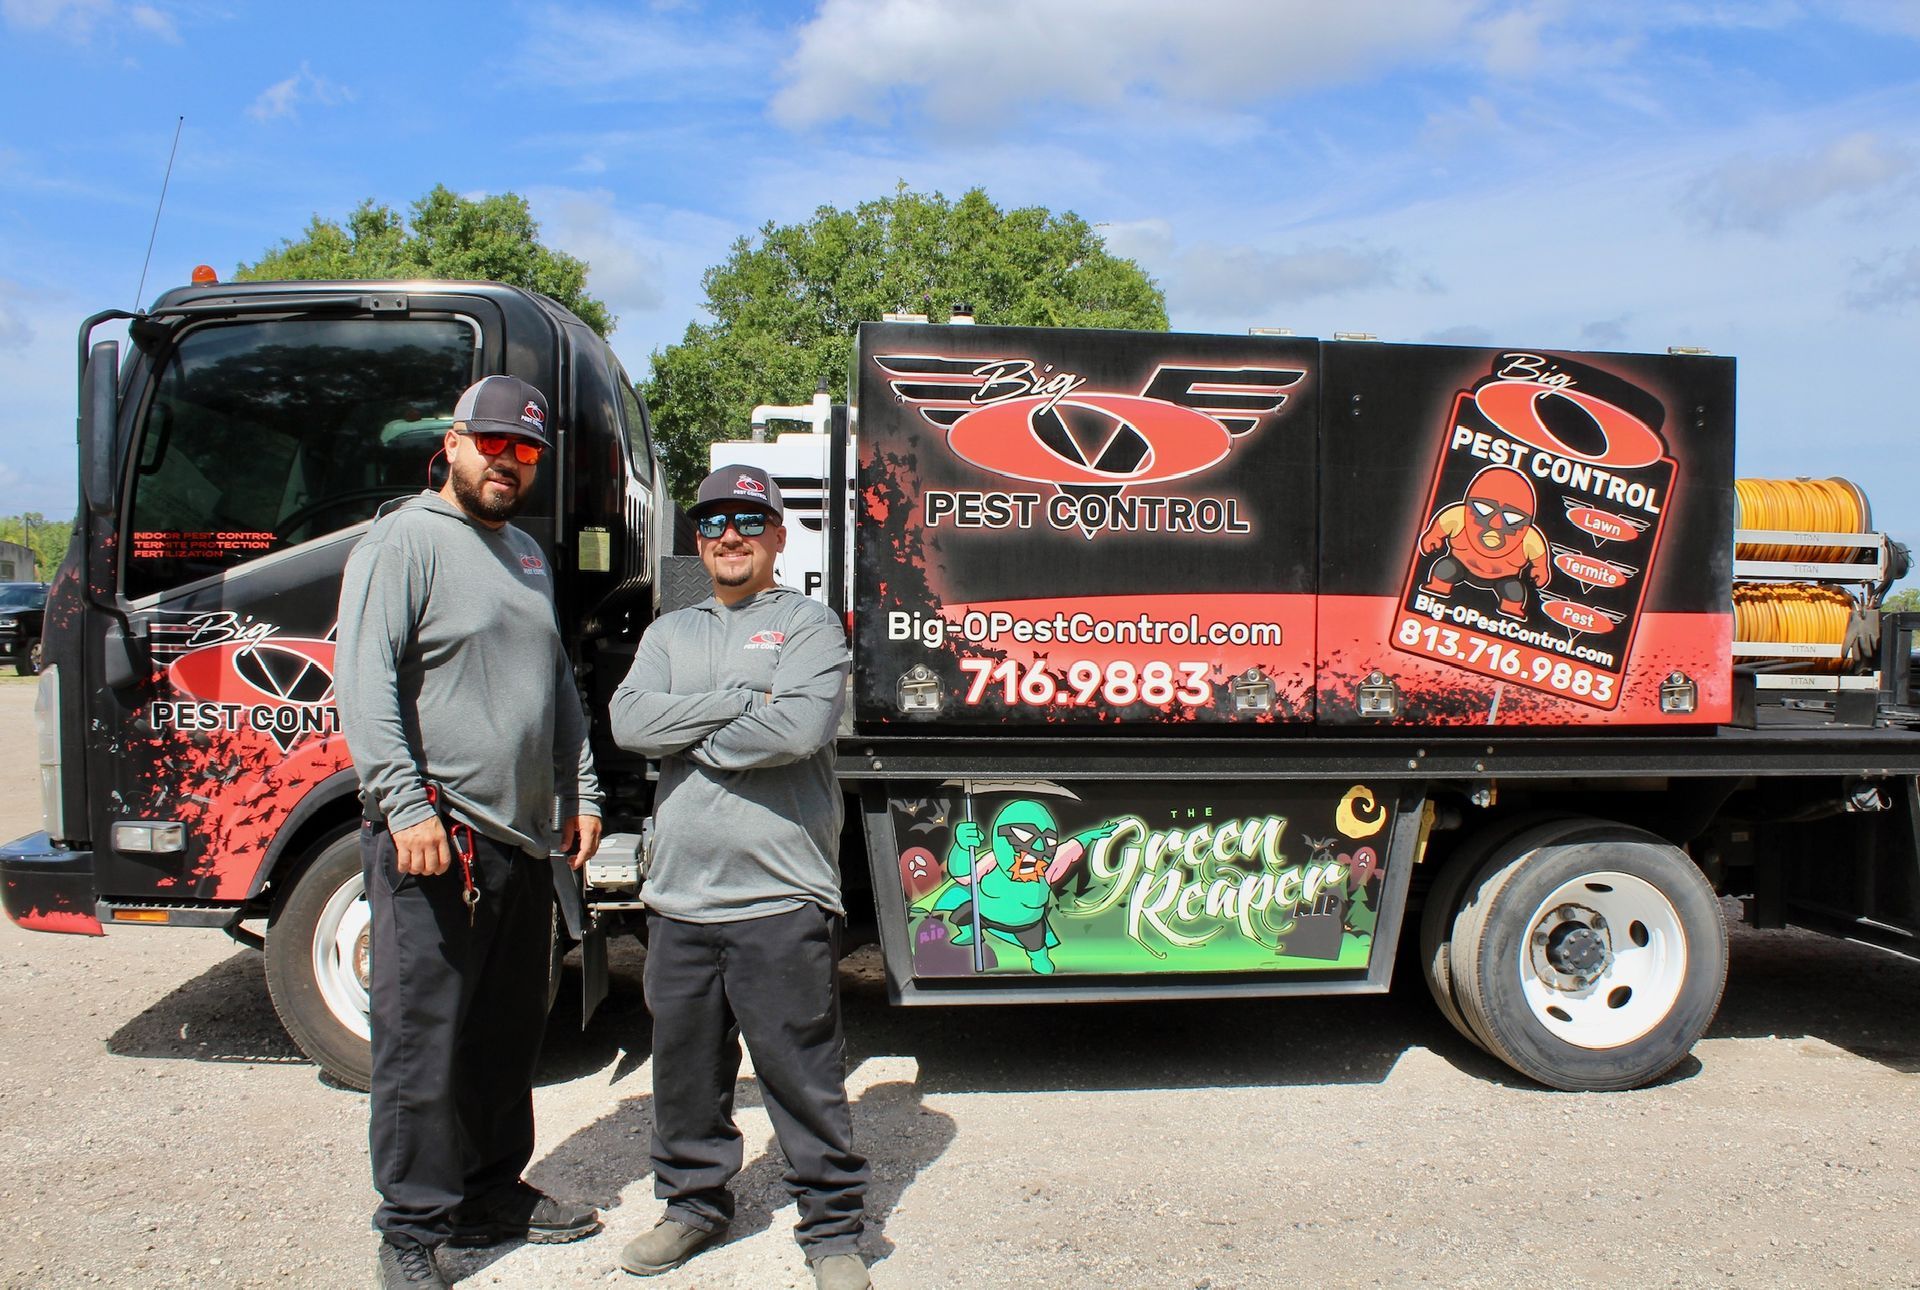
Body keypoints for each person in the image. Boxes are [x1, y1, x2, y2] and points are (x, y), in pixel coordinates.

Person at [337, 374, 605, 1290]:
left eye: (525, 451)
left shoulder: (525, 553)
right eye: (493, 444)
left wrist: (581, 791)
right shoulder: (405, 538)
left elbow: (556, 689)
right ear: (452, 442)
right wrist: (405, 805)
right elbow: (364, 681)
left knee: (502, 1035)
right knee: (421, 1044)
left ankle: (493, 1191)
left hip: (524, 842)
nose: (508, 462)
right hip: (437, 840)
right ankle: (411, 1231)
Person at [610, 465, 871, 1290]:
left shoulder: (809, 625)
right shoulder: (667, 631)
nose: (731, 535)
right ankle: (691, 1207)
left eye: (749, 521)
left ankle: (832, 1231)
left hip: (781, 893)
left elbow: (795, 730)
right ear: (698, 538)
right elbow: (626, 721)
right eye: (716, 522)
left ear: (777, 536)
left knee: (801, 1072)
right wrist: (735, 700)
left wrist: (683, 733)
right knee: (685, 1072)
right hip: (679, 898)